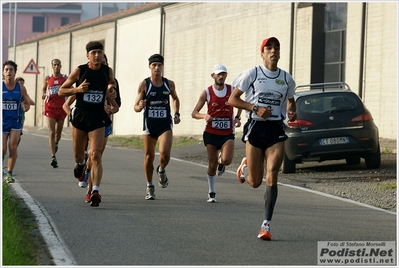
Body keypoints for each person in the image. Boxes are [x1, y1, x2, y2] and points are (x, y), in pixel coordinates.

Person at [228, 37, 297, 240]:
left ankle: (265, 225)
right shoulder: (253, 73)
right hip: (256, 127)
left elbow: (292, 102)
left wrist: (292, 112)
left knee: (273, 172)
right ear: (262, 53)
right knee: (255, 182)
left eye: (276, 47)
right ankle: (246, 167)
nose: (273, 51)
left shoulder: (286, 78)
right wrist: (254, 107)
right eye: (269, 48)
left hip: (276, 127)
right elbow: (233, 99)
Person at [58, 41, 119, 207]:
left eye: (100, 52)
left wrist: (111, 89)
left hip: (98, 116)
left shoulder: (108, 71)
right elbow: (61, 90)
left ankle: (95, 191)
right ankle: (80, 164)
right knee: (79, 156)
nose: (97, 55)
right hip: (81, 116)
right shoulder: (80, 70)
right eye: (94, 53)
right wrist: (77, 90)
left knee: (96, 154)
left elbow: (110, 83)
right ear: (88, 56)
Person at [191, 64, 242, 203]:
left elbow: (241, 103)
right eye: (219, 74)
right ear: (212, 75)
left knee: (227, 160)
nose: (221, 76)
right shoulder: (207, 92)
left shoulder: (232, 90)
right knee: (212, 163)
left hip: (227, 132)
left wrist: (237, 117)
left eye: (223, 74)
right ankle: (211, 192)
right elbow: (194, 113)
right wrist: (204, 116)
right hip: (211, 132)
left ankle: (222, 162)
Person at [134, 53, 180, 200]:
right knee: (149, 157)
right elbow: (135, 106)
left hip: (165, 124)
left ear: (162, 67)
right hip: (149, 125)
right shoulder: (144, 84)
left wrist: (177, 113)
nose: (157, 68)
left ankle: (161, 170)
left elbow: (175, 98)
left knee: (165, 154)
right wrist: (140, 105)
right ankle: (149, 186)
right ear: (149, 67)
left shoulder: (169, 84)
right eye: (154, 65)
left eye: (159, 65)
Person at [2, 61, 35, 183]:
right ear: (3, 72)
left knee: (13, 147)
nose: (8, 72)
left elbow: (27, 102)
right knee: (2, 149)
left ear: (15, 72)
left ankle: (9, 173)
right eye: (6, 70)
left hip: (15, 121)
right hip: (2, 121)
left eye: (11, 70)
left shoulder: (20, 88)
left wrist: (26, 107)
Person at [42, 59, 68, 168]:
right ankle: (53, 157)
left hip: (61, 108)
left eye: (58, 65)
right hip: (50, 108)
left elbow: (70, 89)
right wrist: (43, 94)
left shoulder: (65, 78)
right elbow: (44, 89)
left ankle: (56, 143)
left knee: (58, 134)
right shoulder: (48, 78)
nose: (56, 66)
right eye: (54, 65)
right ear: (52, 66)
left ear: (60, 66)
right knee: (52, 133)